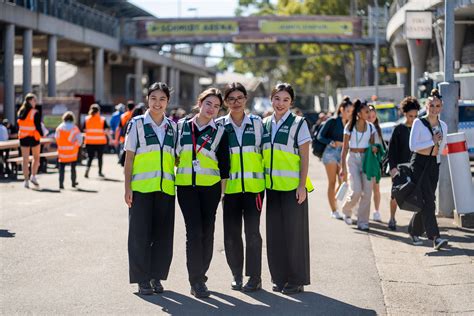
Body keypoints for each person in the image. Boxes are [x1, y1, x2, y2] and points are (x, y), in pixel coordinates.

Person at [123, 82, 177, 295]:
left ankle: (156, 277)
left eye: (162, 99)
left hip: (166, 189)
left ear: (168, 102)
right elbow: (129, 158)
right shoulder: (136, 123)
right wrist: (127, 187)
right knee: (139, 235)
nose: (158, 103)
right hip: (141, 188)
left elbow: (177, 157)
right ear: (147, 100)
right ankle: (142, 279)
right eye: (153, 98)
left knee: (163, 236)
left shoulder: (172, 126)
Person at [175, 88, 230, 298]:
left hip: (211, 189)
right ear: (200, 103)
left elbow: (224, 166)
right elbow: (173, 155)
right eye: (209, 103)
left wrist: (223, 194)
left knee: (207, 233)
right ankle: (195, 280)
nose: (212, 109)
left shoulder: (220, 132)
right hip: (186, 187)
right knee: (194, 232)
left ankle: (202, 275)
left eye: (217, 106)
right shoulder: (181, 127)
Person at [262, 83, 313, 295]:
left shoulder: (299, 123)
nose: (280, 103)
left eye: (285, 100)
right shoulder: (264, 124)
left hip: (293, 189)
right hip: (271, 188)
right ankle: (279, 277)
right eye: (277, 98)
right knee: (275, 236)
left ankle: (296, 279)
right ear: (271, 99)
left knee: (294, 236)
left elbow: (304, 158)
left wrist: (302, 185)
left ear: (291, 102)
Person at [215, 82, 265, 292]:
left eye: (240, 98)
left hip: (254, 189)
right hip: (230, 190)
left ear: (246, 99)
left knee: (253, 233)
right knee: (232, 235)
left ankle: (254, 277)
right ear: (225, 102)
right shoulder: (218, 125)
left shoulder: (257, 123)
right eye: (231, 99)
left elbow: (265, 152)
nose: (236, 102)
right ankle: (236, 274)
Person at [408, 89, 448, 250]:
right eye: (431, 105)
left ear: (441, 108)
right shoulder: (419, 122)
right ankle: (435, 238)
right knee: (430, 201)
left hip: (433, 165)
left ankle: (413, 230)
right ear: (426, 105)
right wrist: (431, 142)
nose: (434, 108)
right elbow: (413, 147)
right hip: (418, 164)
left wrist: (432, 147)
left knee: (426, 200)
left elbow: (441, 149)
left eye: (437, 106)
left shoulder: (443, 126)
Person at [340, 99, 377, 231]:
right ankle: (346, 209)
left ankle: (363, 221)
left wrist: (374, 148)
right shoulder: (349, 126)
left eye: (369, 111)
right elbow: (344, 149)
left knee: (367, 192)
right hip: (352, 160)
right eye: (366, 111)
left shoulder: (371, 127)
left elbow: (373, 145)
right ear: (359, 112)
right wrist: (342, 168)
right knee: (356, 190)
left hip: (366, 160)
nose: (369, 113)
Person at [386, 97, 420, 231]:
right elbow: (391, 151)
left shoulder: (420, 128)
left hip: (415, 167)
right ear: (405, 113)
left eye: (416, 116)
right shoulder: (398, 129)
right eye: (411, 115)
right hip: (399, 168)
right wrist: (393, 168)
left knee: (417, 196)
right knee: (395, 195)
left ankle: (415, 224)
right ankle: (392, 218)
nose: (413, 118)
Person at [317, 97, 353, 219]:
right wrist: (333, 142)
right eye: (348, 111)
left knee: (344, 182)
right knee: (332, 182)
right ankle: (333, 210)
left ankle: (335, 201)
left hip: (344, 154)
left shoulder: (350, 124)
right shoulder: (332, 121)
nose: (350, 113)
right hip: (331, 153)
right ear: (342, 109)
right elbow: (320, 136)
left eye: (351, 111)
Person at [17, 93, 43, 188]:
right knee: (36, 158)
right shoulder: (34, 112)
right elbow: (38, 126)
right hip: (33, 137)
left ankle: (26, 180)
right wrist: (43, 134)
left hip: (23, 137)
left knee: (25, 159)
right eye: (34, 100)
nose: (35, 102)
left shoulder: (20, 112)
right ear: (29, 101)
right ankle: (33, 176)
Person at [367, 105, 386, 223]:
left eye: (373, 116)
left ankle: (377, 211)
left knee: (376, 188)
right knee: (365, 190)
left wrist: (377, 150)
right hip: (364, 163)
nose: (371, 118)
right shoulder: (361, 128)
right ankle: (363, 211)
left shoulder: (378, 129)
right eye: (369, 116)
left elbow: (382, 148)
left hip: (375, 162)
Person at [55, 111, 82, 189]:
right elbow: (80, 140)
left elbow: (57, 138)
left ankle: (61, 184)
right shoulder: (75, 128)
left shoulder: (59, 128)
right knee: (73, 168)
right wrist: (77, 145)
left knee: (61, 169)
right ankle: (73, 183)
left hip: (62, 152)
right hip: (72, 152)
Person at [83, 104, 109, 178]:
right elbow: (106, 130)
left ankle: (87, 170)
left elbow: (84, 130)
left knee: (90, 157)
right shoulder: (102, 119)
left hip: (89, 142)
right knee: (100, 157)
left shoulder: (87, 119)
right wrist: (110, 139)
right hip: (100, 142)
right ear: (98, 111)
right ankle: (100, 172)